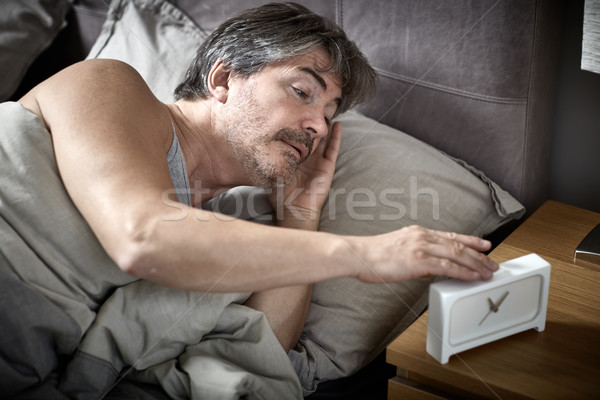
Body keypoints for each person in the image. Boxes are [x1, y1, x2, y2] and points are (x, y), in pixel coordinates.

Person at [16, 2, 497, 355]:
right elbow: (141, 237)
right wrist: (365, 253)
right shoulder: (108, 84)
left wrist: (301, 218)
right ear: (222, 80)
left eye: (330, 113)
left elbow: (260, 353)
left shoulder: (222, 230)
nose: (318, 127)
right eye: (302, 90)